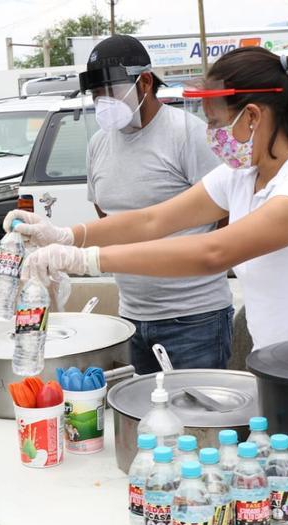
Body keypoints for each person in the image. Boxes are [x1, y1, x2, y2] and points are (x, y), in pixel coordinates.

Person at [7, 47, 288, 351]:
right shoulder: (241, 176)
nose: (212, 134)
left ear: (253, 116)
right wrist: (64, 235)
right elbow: (153, 220)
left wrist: (84, 260)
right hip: (282, 361)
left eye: (217, 122)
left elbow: (213, 252)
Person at [73, 34, 231, 374]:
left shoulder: (187, 133)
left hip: (194, 318)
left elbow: (223, 215)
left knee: (198, 422)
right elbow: (108, 218)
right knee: (146, 419)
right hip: (132, 316)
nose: (103, 101)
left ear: (144, 82)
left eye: (110, 90)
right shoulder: (98, 145)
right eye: (96, 94)